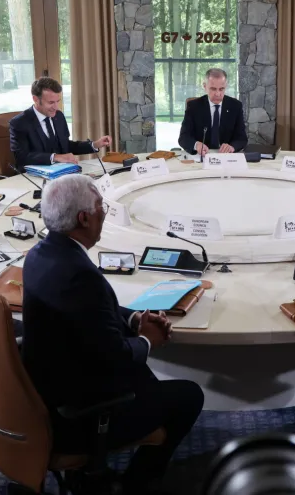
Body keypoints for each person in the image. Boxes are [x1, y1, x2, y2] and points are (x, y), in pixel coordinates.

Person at [21, 174, 204, 493]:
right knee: (189, 395)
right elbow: (116, 357)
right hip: (76, 414)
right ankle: (135, 484)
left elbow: (88, 311)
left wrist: (133, 319)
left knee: (146, 377)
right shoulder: (81, 276)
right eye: (100, 206)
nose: (104, 212)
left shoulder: (41, 254)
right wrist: (149, 340)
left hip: (44, 389)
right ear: (84, 218)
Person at [9, 77, 112, 170]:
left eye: (57, 101)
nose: (56, 107)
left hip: (61, 173)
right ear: (36, 99)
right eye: (51, 102)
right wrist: (55, 157)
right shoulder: (19, 123)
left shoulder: (59, 116)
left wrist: (94, 144)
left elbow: (66, 145)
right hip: (34, 177)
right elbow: (22, 157)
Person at [178, 68, 248, 155]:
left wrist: (232, 147)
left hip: (226, 156)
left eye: (221, 89)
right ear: (205, 86)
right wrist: (196, 145)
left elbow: (242, 138)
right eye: (213, 89)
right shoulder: (193, 106)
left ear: (226, 87)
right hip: (201, 156)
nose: (218, 94)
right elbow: (183, 138)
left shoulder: (235, 106)